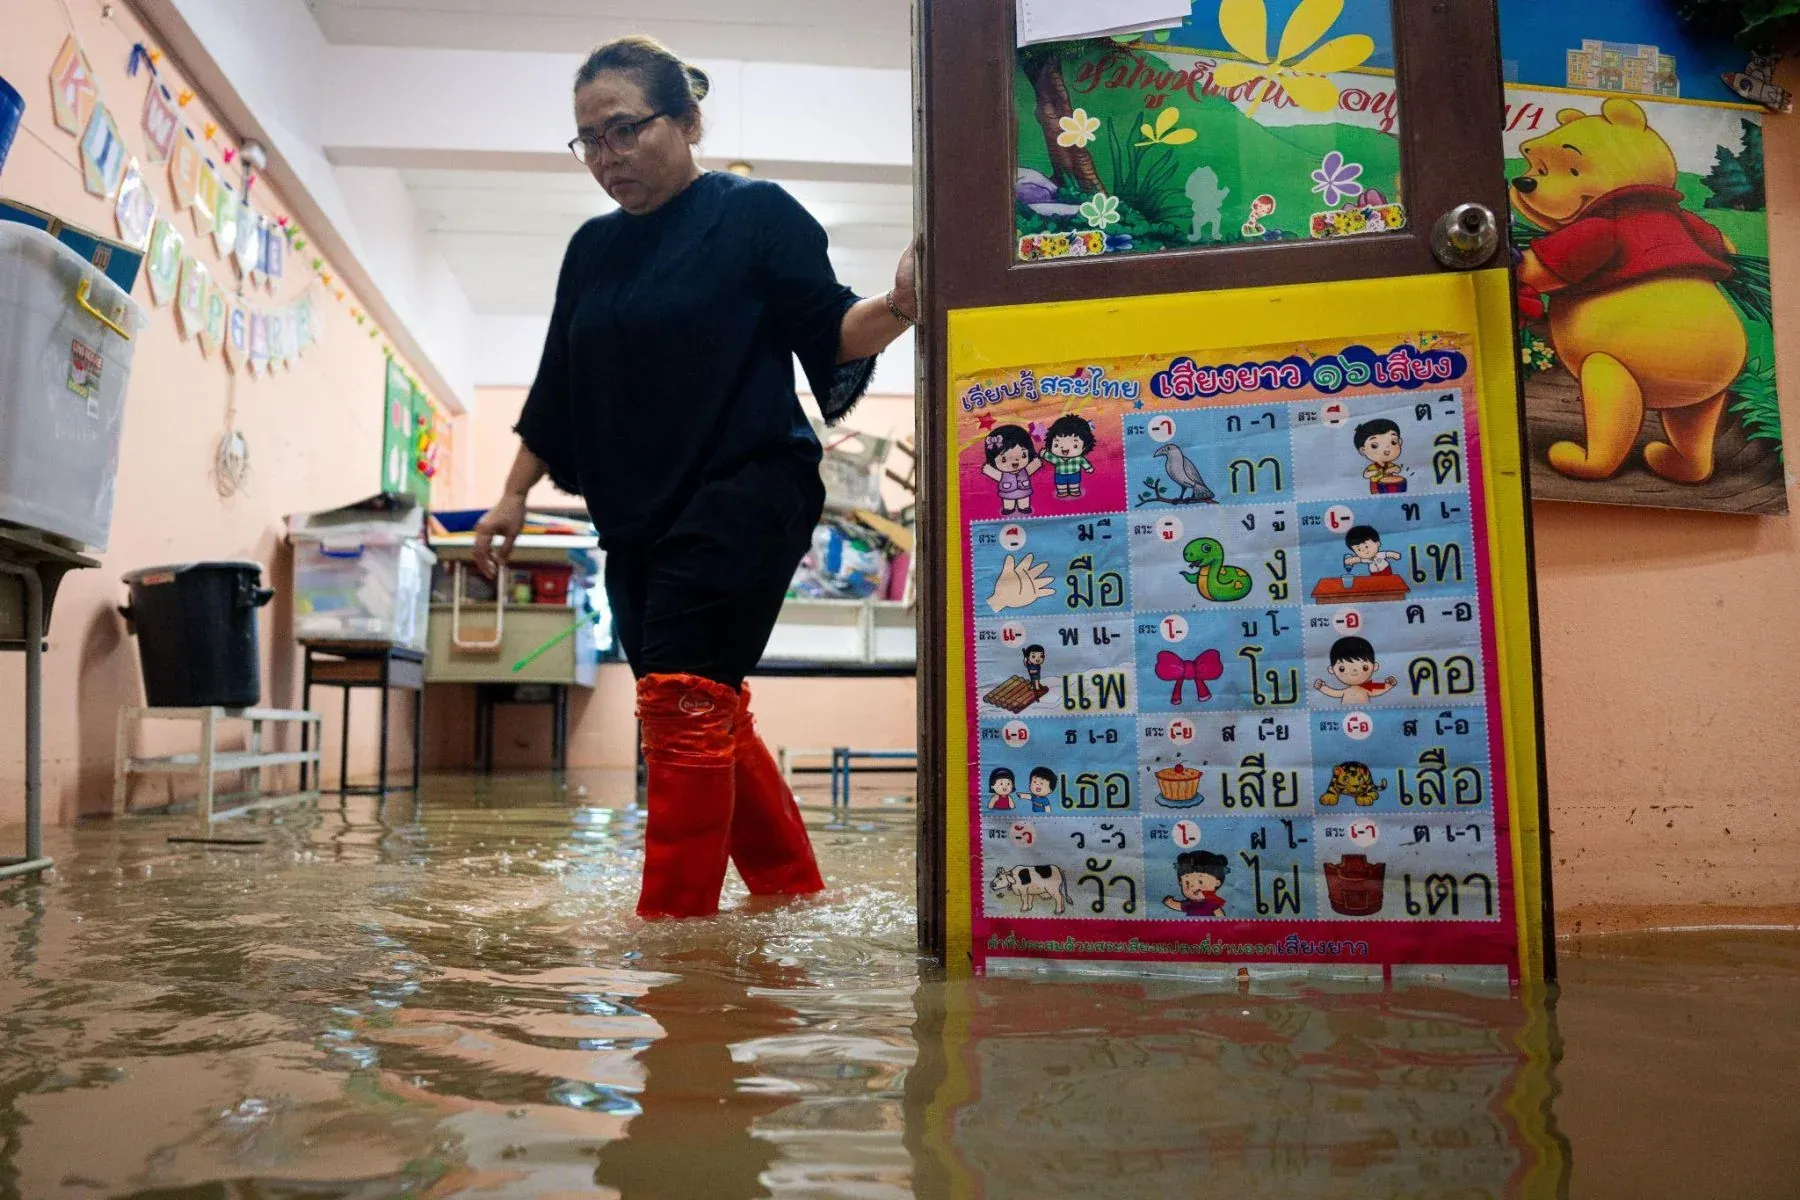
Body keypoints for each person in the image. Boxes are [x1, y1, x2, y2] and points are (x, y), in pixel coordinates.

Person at [472, 36, 917, 919]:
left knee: (679, 704)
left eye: (624, 130)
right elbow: (560, 377)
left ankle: (675, 945)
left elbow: (828, 329)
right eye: (588, 140)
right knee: (697, 704)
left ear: (687, 120)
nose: (606, 157)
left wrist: (902, 304)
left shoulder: (753, 214)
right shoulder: (591, 250)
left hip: (747, 486)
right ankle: (791, 892)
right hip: (638, 508)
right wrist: (514, 490)